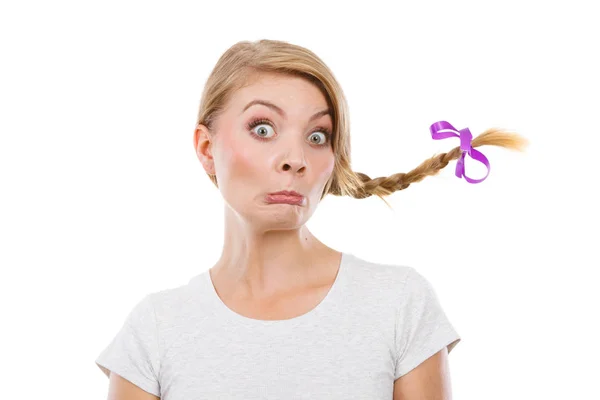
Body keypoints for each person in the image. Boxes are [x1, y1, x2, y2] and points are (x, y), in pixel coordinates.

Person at [95, 39, 528, 399]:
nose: (296, 159)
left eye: (317, 136)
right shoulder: (154, 330)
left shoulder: (399, 305)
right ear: (207, 148)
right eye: (263, 128)